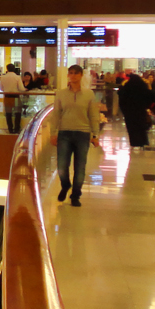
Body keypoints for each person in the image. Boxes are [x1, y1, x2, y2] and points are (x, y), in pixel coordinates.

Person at [51, 65, 101, 208]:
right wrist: (53, 133)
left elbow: (93, 115)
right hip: (64, 133)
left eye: (76, 73)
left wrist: (95, 134)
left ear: (81, 75)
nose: (73, 76)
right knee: (62, 165)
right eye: (71, 73)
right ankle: (65, 185)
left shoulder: (89, 94)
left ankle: (76, 195)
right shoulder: (61, 94)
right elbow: (56, 114)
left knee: (80, 167)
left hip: (82, 134)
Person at [0, 64, 25, 134]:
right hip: (16, 97)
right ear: (14, 68)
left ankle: (10, 129)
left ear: (7, 68)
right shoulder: (17, 77)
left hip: (7, 97)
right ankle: (16, 128)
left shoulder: (3, 77)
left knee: (8, 114)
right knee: (18, 114)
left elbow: (1, 88)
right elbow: (21, 88)